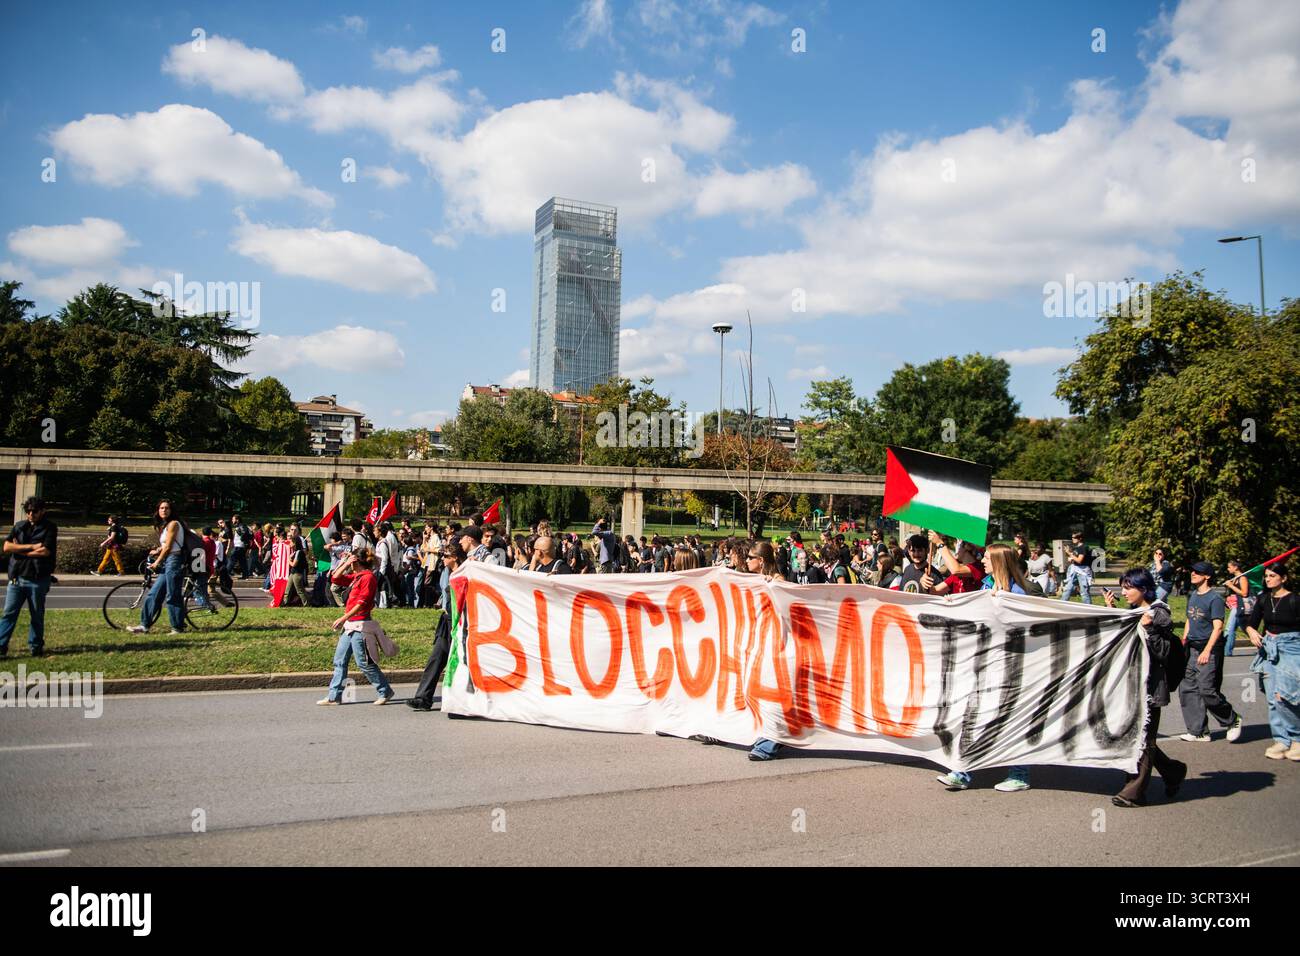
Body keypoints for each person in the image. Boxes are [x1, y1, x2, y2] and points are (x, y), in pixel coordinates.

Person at [936, 543, 1036, 793]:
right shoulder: (986, 586)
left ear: (1001, 562)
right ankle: (961, 772)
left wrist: (1000, 604)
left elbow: (1023, 626)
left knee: (1011, 721)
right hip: (985, 663)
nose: (983, 561)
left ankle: (1019, 775)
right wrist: (957, 604)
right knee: (971, 716)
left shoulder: (1018, 593)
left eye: (989, 558)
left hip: (1012, 666)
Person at [1104, 567, 1188, 807]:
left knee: (1144, 739)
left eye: (1128, 588)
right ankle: (1172, 772)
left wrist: (1149, 627)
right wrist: (1112, 610)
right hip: (1132, 684)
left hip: (1151, 686)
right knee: (1138, 736)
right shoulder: (1135, 610)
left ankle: (1134, 792)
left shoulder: (1159, 613)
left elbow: (1162, 652)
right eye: (1123, 587)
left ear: (1143, 589)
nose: (1124, 592)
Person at [1177, 561, 1243, 744]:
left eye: (1198, 572)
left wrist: (1207, 650)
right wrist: (1184, 640)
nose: (1193, 574)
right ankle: (1198, 731)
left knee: (1207, 690)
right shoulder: (1193, 595)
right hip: (1192, 647)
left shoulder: (1214, 599)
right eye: (1192, 571)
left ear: (1207, 576)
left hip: (1209, 649)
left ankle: (1232, 719)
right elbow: (1189, 619)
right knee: (1188, 688)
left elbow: (1218, 628)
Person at [318, 549, 395, 706]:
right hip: (350, 626)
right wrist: (345, 563)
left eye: (352, 561)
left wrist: (343, 617)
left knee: (364, 663)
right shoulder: (357, 577)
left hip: (361, 626)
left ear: (357, 562)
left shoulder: (368, 578)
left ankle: (385, 691)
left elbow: (362, 603)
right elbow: (335, 579)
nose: (350, 564)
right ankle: (334, 696)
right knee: (340, 660)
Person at [1244, 562, 1300, 760]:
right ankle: (1281, 740)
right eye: (1266, 576)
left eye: (1272, 576)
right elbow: (1251, 624)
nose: (1267, 579)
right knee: (1271, 698)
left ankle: (1297, 739)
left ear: (1283, 578)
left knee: (1286, 696)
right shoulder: (1263, 599)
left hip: (1292, 649)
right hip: (1269, 650)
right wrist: (1251, 632)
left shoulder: (1294, 600)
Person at [408, 542, 468, 711]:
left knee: (461, 663)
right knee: (435, 659)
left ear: (455, 558)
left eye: (446, 556)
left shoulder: (465, 574)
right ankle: (423, 698)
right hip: (447, 622)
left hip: (460, 625)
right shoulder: (448, 573)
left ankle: (463, 701)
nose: (443, 558)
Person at [0, 496, 58, 658]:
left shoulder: (49, 528)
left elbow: (45, 551)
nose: (30, 514)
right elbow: (6, 546)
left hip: (38, 578)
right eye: (28, 511)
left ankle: (36, 646)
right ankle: (1, 645)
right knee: (9, 613)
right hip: (17, 578)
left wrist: (18, 550)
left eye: (34, 511)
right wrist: (32, 547)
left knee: (37, 615)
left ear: (42, 511)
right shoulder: (19, 526)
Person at [128, 500, 187, 635]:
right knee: (154, 593)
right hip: (168, 561)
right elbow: (166, 544)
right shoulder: (165, 526)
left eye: (167, 508)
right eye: (161, 508)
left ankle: (177, 628)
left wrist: (157, 562)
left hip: (174, 561)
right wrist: (157, 550)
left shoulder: (174, 524)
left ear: (171, 510)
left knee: (173, 595)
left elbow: (169, 547)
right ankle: (144, 626)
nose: (164, 510)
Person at [926, 531, 984, 596]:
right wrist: (925, 582)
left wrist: (939, 542)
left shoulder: (979, 567)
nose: (955, 547)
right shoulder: (958, 573)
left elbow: (956, 570)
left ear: (967, 547)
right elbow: (934, 591)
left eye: (958, 544)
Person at [1222, 559, 1254, 657]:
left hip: (1241, 607)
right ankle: (1262, 645)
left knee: (1230, 629)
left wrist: (1231, 586)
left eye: (1229, 567)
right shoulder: (1235, 578)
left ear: (1235, 567)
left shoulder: (1242, 578)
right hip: (1236, 607)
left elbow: (1244, 593)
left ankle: (1227, 652)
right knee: (1244, 629)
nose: (1228, 569)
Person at [1059, 531, 1094, 604]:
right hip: (1075, 570)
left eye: (1074, 537)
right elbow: (1075, 559)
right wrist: (1070, 557)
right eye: (1072, 537)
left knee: (1084, 592)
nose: (1072, 539)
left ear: (1080, 538)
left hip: (1083, 572)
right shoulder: (1077, 548)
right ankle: (1061, 604)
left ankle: (1088, 608)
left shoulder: (1083, 548)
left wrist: (1069, 553)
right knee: (1067, 589)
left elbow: (1079, 560)